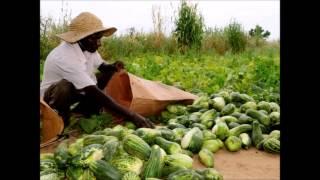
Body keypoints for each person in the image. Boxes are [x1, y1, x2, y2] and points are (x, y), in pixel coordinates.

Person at [40, 12, 154, 128]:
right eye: (95, 39)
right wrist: (132, 115)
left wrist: (113, 66)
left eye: (100, 38)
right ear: (80, 38)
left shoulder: (89, 48)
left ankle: (82, 111)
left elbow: (102, 67)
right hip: (53, 97)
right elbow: (92, 90)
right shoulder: (65, 56)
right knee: (66, 86)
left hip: (78, 90)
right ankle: (61, 118)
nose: (99, 44)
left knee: (110, 73)